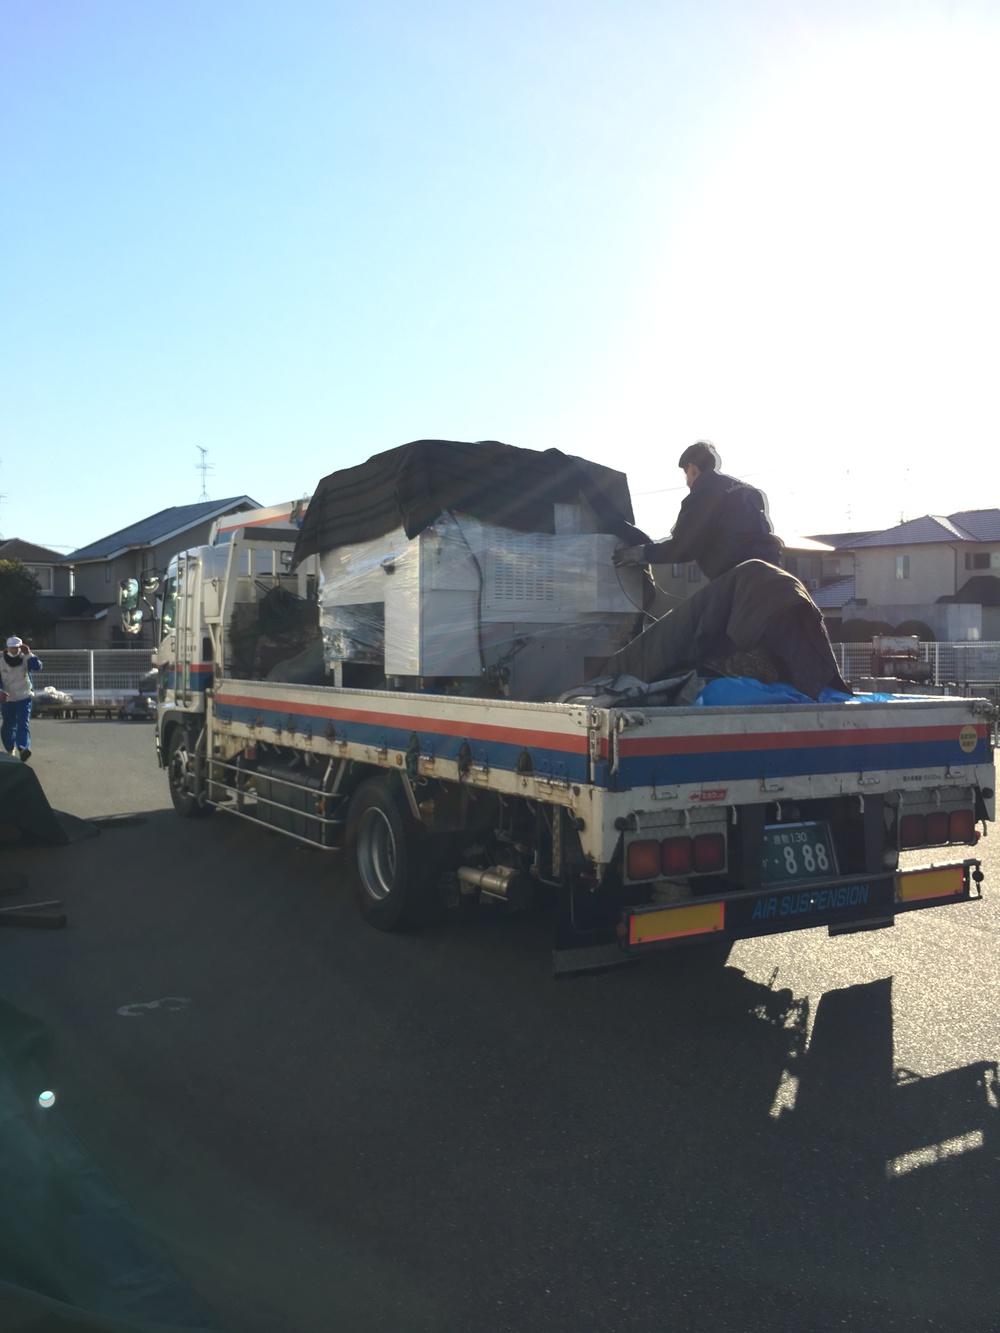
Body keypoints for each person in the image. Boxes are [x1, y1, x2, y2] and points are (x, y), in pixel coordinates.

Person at [614, 440, 783, 580]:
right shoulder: (749, 490)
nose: (687, 481)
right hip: (774, 570)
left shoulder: (703, 493)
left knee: (696, 612)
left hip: (739, 577)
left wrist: (641, 553)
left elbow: (682, 547)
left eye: (685, 474)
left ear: (692, 468)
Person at [0, 636, 43, 761]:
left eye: (16, 648)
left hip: (24, 696)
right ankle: (10, 749)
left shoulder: (26, 659)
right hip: (7, 698)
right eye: (11, 648)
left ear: (21, 647)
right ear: (7, 648)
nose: (14, 650)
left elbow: (38, 666)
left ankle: (23, 748)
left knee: (23, 722)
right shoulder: (1, 662)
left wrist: (29, 654)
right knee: (8, 724)